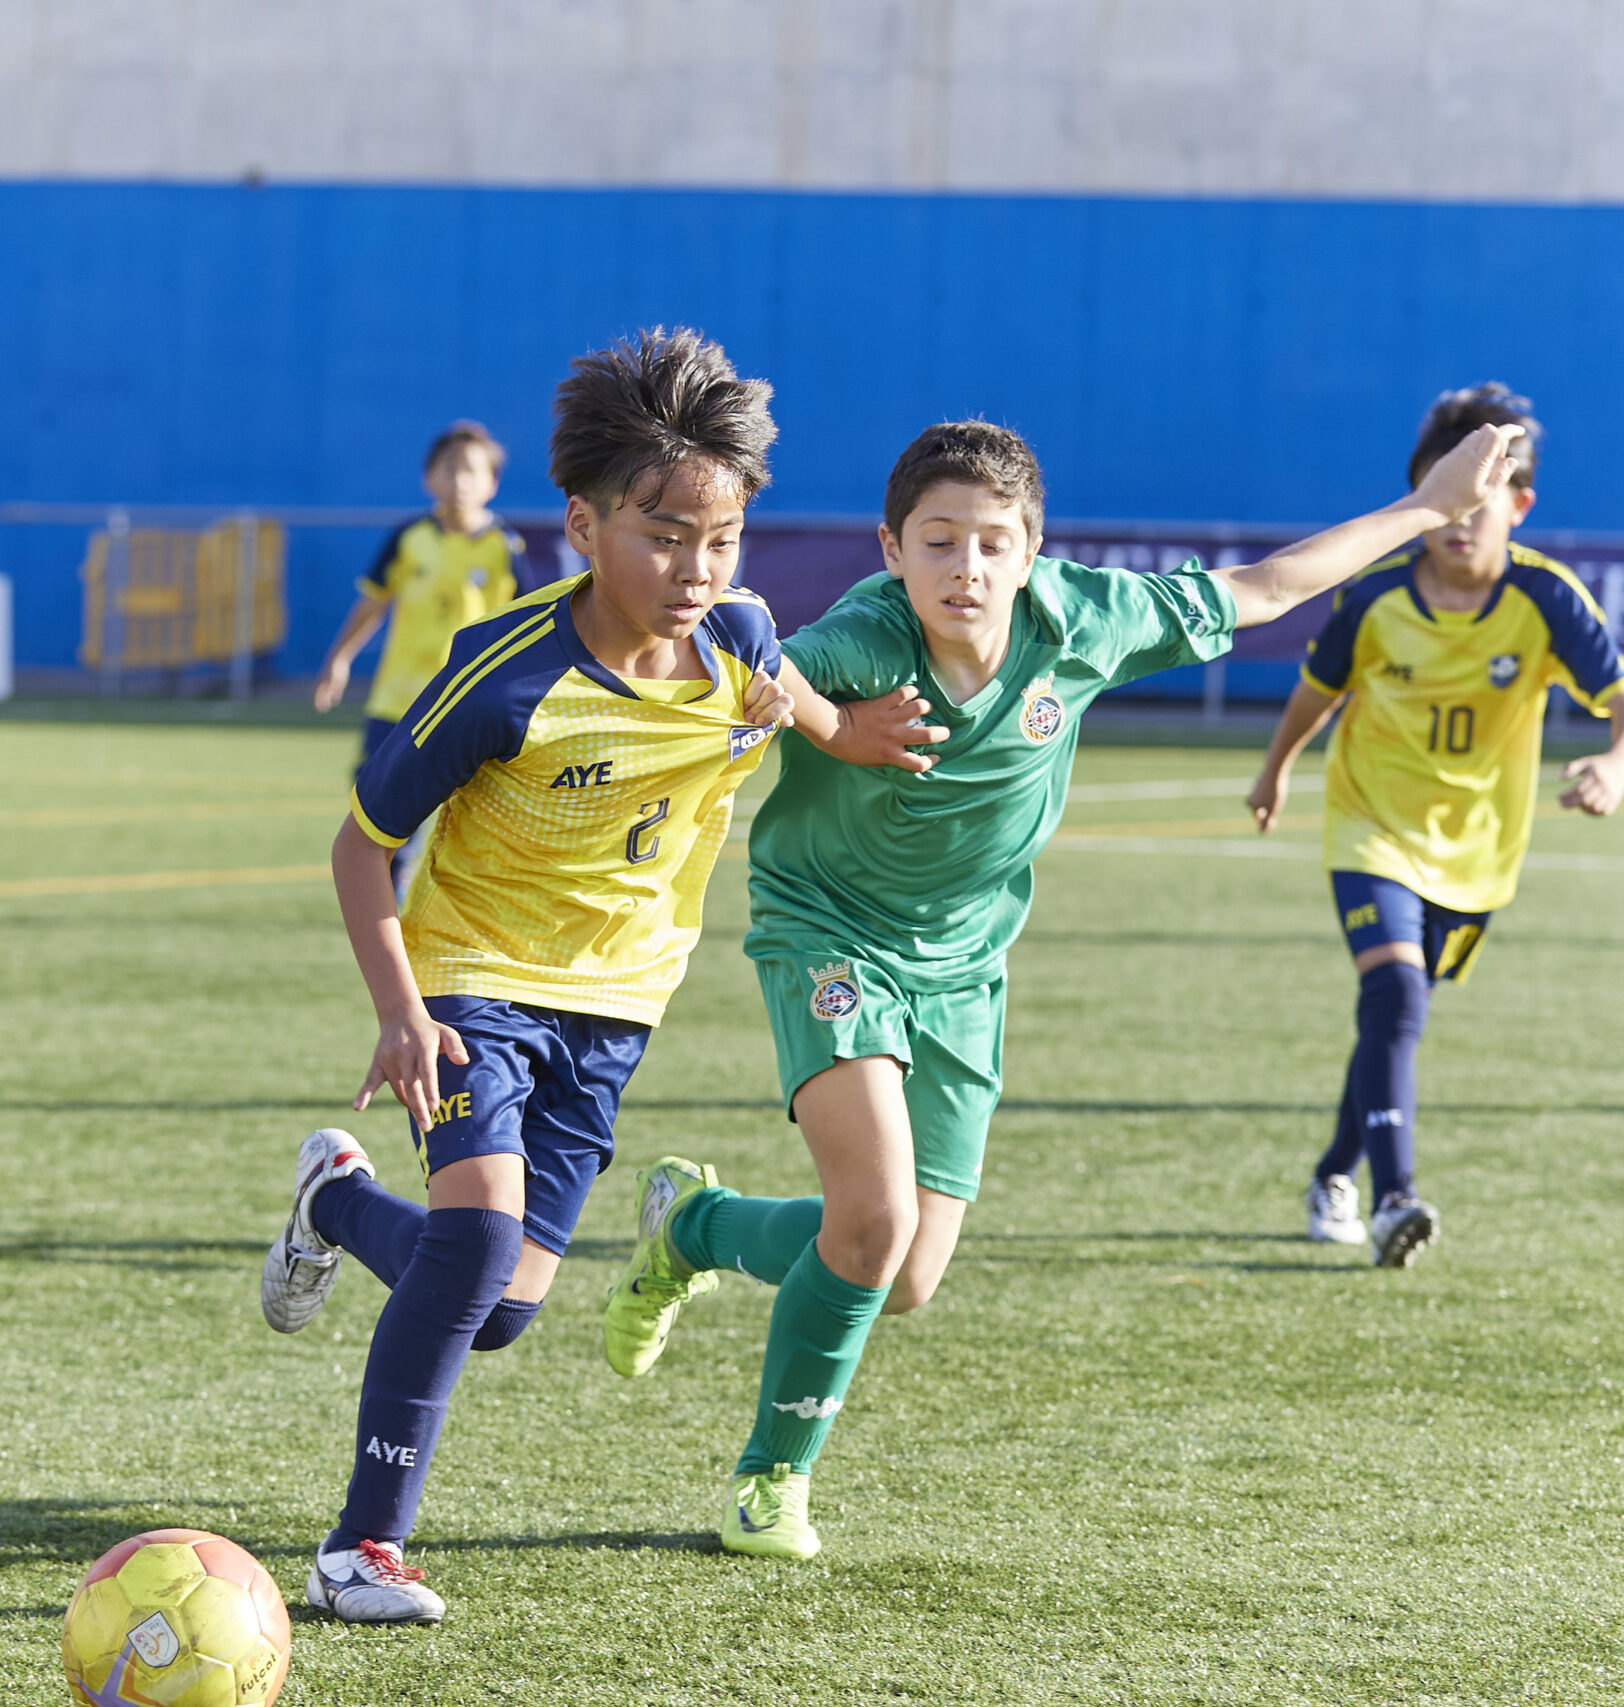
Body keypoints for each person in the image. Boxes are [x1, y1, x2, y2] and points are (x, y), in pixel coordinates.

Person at [600, 411, 1531, 1562]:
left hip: (964, 968)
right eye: (938, 541)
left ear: (1032, 551)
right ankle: (769, 1482)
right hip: (827, 934)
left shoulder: (1087, 618)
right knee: (875, 1221)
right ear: (891, 550)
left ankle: (692, 1225)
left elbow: (1266, 588)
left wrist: (1428, 508)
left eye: (993, 543)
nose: (966, 567)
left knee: (904, 1274)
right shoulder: (867, 636)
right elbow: (763, 660)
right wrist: (814, 715)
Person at [256, 329, 933, 1624]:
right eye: (663, 535)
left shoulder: (739, 636)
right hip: (471, 975)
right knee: (476, 1244)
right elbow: (361, 844)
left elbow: (787, 691)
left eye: (721, 538)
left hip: (616, 1006)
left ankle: (335, 1200)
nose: (696, 568)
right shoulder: (505, 674)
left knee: (500, 1307)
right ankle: (358, 1550)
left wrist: (846, 731)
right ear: (582, 524)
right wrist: (400, 1011)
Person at [1245, 384, 1624, 1264]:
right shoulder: (1374, 598)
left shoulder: (1546, 598)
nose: (1462, 520)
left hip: (1476, 851)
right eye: (1447, 497)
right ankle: (1395, 1199)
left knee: (1394, 1015)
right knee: (1396, 996)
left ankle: (1333, 1172)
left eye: (1483, 500)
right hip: (1370, 825)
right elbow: (1317, 693)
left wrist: (1617, 766)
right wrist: (1275, 769)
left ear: (1520, 504)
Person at [311, 421, 525, 892]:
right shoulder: (408, 537)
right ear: (429, 478)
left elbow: (523, 623)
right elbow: (372, 603)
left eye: (471, 470)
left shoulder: (505, 547)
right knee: (377, 816)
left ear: (492, 483)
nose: (459, 480)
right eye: (448, 469)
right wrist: (338, 659)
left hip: (468, 705)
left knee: (472, 818)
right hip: (397, 701)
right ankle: (387, 902)